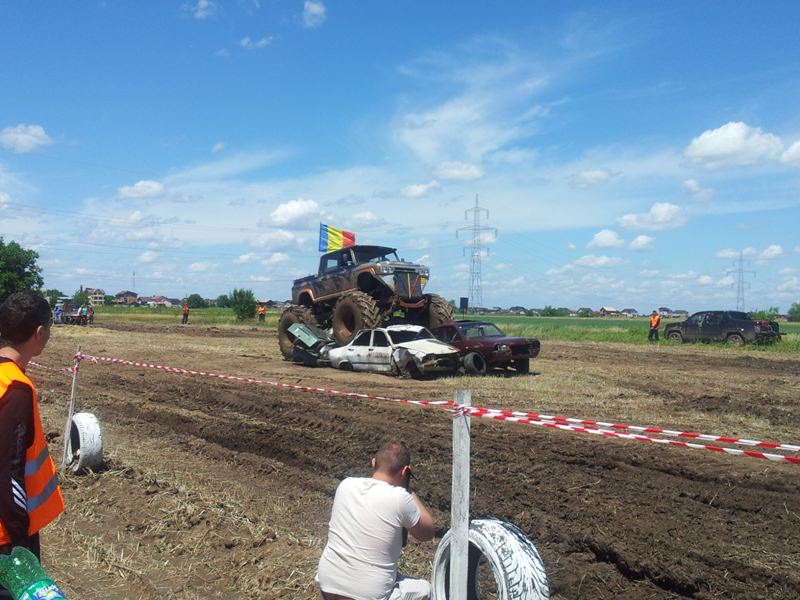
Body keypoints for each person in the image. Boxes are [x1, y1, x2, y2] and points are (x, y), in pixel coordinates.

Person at [0, 291, 65, 598]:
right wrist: (19, 540)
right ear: (39, 332)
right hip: (5, 534)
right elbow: (7, 470)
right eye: (50, 326)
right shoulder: (15, 388)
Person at [317, 440, 435, 600]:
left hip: (328, 586)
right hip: (368, 595)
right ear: (405, 471)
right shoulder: (400, 498)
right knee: (428, 590)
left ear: (373, 463)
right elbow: (427, 533)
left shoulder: (345, 485)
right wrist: (408, 489)